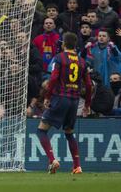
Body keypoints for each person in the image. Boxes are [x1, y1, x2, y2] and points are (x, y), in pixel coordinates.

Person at [37, 32, 92, 175]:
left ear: (63, 44)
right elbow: (89, 85)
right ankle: (77, 166)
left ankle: (52, 160)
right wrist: (87, 104)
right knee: (69, 133)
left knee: (41, 130)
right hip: (74, 100)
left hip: (60, 97)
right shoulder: (82, 61)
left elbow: (54, 78)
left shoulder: (59, 58)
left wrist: (48, 97)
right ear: (75, 45)